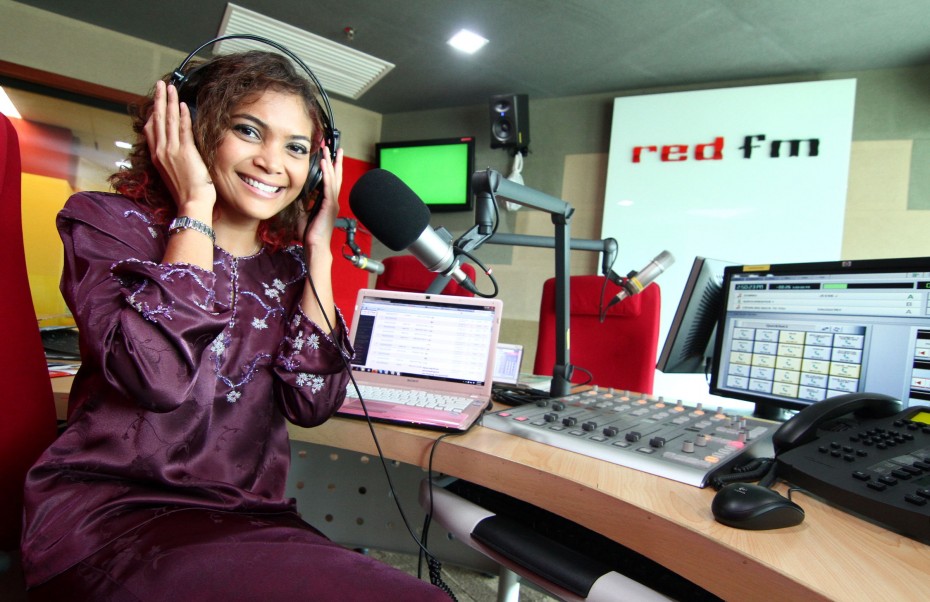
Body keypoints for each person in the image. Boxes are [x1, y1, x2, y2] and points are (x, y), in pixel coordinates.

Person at [19, 49, 450, 601]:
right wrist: (195, 203)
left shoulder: (290, 270)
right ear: (193, 130)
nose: (273, 162)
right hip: (111, 521)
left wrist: (319, 251)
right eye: (249, 130)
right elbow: (158, 377)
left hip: (247, 519)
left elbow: (311, 403)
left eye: (297, 148)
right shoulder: (109, 223)